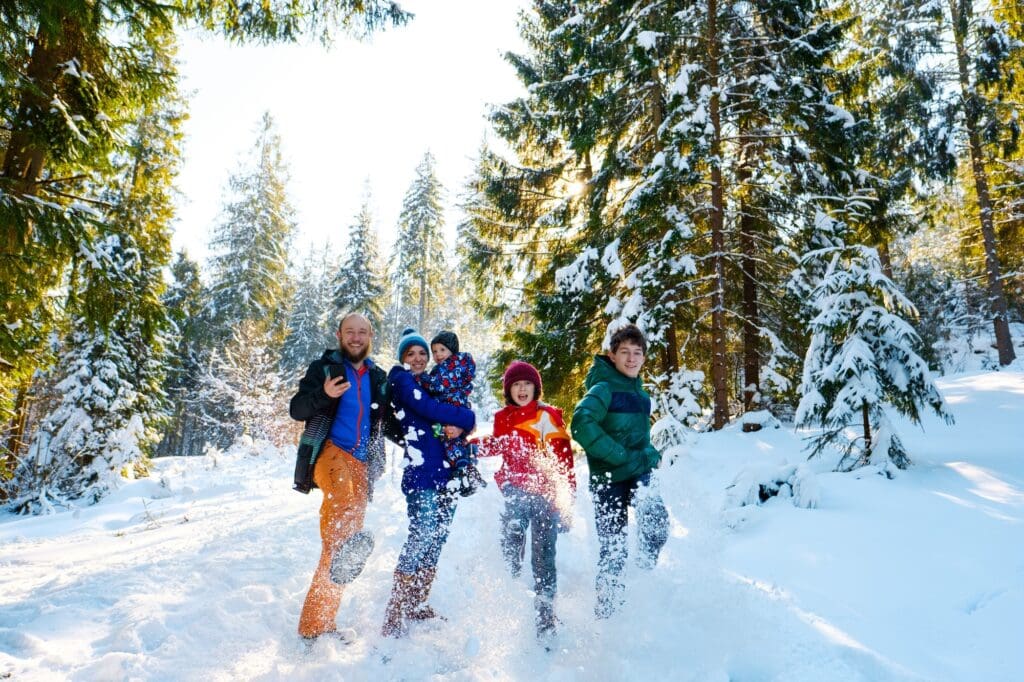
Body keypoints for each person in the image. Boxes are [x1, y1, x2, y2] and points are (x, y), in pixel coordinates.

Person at [289, 313, 397, 641]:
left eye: (362, 332)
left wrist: (432, 436)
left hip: (362, 464)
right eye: (350, 331)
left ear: (370, 336)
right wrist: (323, 394)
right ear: (339, 334)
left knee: (338, 550)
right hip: (331, 452)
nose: (355, 337)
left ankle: (318, 625)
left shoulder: (377, 377)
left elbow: (390, 423)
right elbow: (297, 409)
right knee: (343, 522)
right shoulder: (325, 368)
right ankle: (314, 626)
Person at [381, 328, 476, 638]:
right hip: (422, 473)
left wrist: (459, 428)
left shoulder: (431, 382)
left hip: (446, 472)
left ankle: (417, 603)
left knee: (438, 538)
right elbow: (428, 409)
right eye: (411, 354)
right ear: (402, 358)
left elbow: (445, 409)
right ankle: (395, 610)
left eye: (423, 353)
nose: (419, 358)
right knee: (422, 533)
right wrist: (468, 419)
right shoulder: (402, 379)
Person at [570, 323, 669, 619]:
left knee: (657, 524)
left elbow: (639, 436)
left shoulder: (641, 394)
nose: (630, 358)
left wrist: (650, 454)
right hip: (608, 480)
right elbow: (581, 423)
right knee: (614, 550)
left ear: (644, 358)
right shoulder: (603, 388)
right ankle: (607, 615)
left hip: (638, 473)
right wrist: (617, 455)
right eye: (624, 352)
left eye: (637, 353)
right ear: (612, 356)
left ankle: (641, 583)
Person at [478, 360, 575, 642]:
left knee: (545, 557)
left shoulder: (548, 417)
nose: (522, 389)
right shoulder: (503, 417)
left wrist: (566, 502)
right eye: (516, 385)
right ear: (509, 390)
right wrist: (465, 444)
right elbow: (496, 444)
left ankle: (545, 619)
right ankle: (513, 549)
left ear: (536, 388)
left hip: (546, 494)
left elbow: (564, 461)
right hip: (515, 487)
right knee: (515, 516)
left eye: (527, 384)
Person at [418, 330, 486, 496]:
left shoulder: (453, 366)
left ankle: (463, 468)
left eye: (442, 350)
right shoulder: (445, 367)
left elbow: (438, 386)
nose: (438, 354)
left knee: (450, 438)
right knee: (442, 435)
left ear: (451, 350)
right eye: (434, 351)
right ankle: (466, 459)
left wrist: (421, 379)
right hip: (448, 409)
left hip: (453, 406)